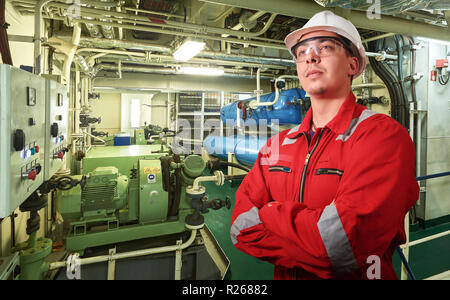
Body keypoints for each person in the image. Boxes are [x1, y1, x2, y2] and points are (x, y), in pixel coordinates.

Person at [230, 10, 419, 280]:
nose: (310, 56)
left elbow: (339, 245)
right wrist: (311, 242)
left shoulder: (383, 137)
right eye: (302, 52)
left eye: (325, 47)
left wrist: (269, 213)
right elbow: (240, 227)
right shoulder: (278, 144)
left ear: (353, 65)